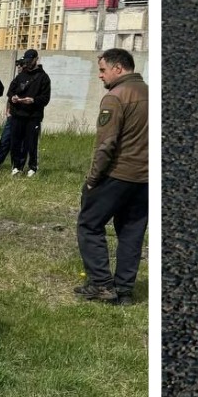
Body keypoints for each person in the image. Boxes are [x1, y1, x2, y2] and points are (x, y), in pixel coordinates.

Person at [75, 49, 149, 304]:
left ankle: (101, 283)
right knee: (131, 232)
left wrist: (93, 179)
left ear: (118, 68)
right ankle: (125, 290)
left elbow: (106, 145)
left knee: (89, 224)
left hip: (117, 174)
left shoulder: (116, 97)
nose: (100, 75)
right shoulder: (149, 92)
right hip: (145, 179)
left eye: (103, 69)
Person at [5, 49, 51, 177]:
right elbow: (10, 92)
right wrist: (13, 97)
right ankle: (16, 166)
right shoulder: (20, 76)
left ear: (36, 59)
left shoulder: (43, 77)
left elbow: (45, 98)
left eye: (30, 61)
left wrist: (33, 100)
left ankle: (32, 167)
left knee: (31, 143)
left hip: (33, 116)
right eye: (26, 61)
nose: (28, 64)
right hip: (18, 114)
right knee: (15, 142)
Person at [0, 58, 25, 170]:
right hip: (13, 115)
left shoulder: (33, 80)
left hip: (25, 116)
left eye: (21, 65)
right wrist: (8, 110)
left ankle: (16, 166)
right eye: (18, 65)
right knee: (5, 140)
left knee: (20, 143)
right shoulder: (16, 80)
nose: (19, 67)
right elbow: (10, 96)